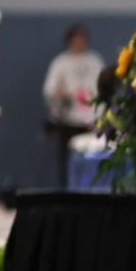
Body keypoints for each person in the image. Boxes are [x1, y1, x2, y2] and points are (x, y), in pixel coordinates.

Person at [42, 23, 106, 184]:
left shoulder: (95, 61)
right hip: (69, 121)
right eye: (76, 39)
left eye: (82, 39)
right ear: (69, 41)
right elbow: (50, 90)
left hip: (92, 121)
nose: (80, 43)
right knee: (68, 160)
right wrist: (61, 94)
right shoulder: (60, 63)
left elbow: (104, 87)